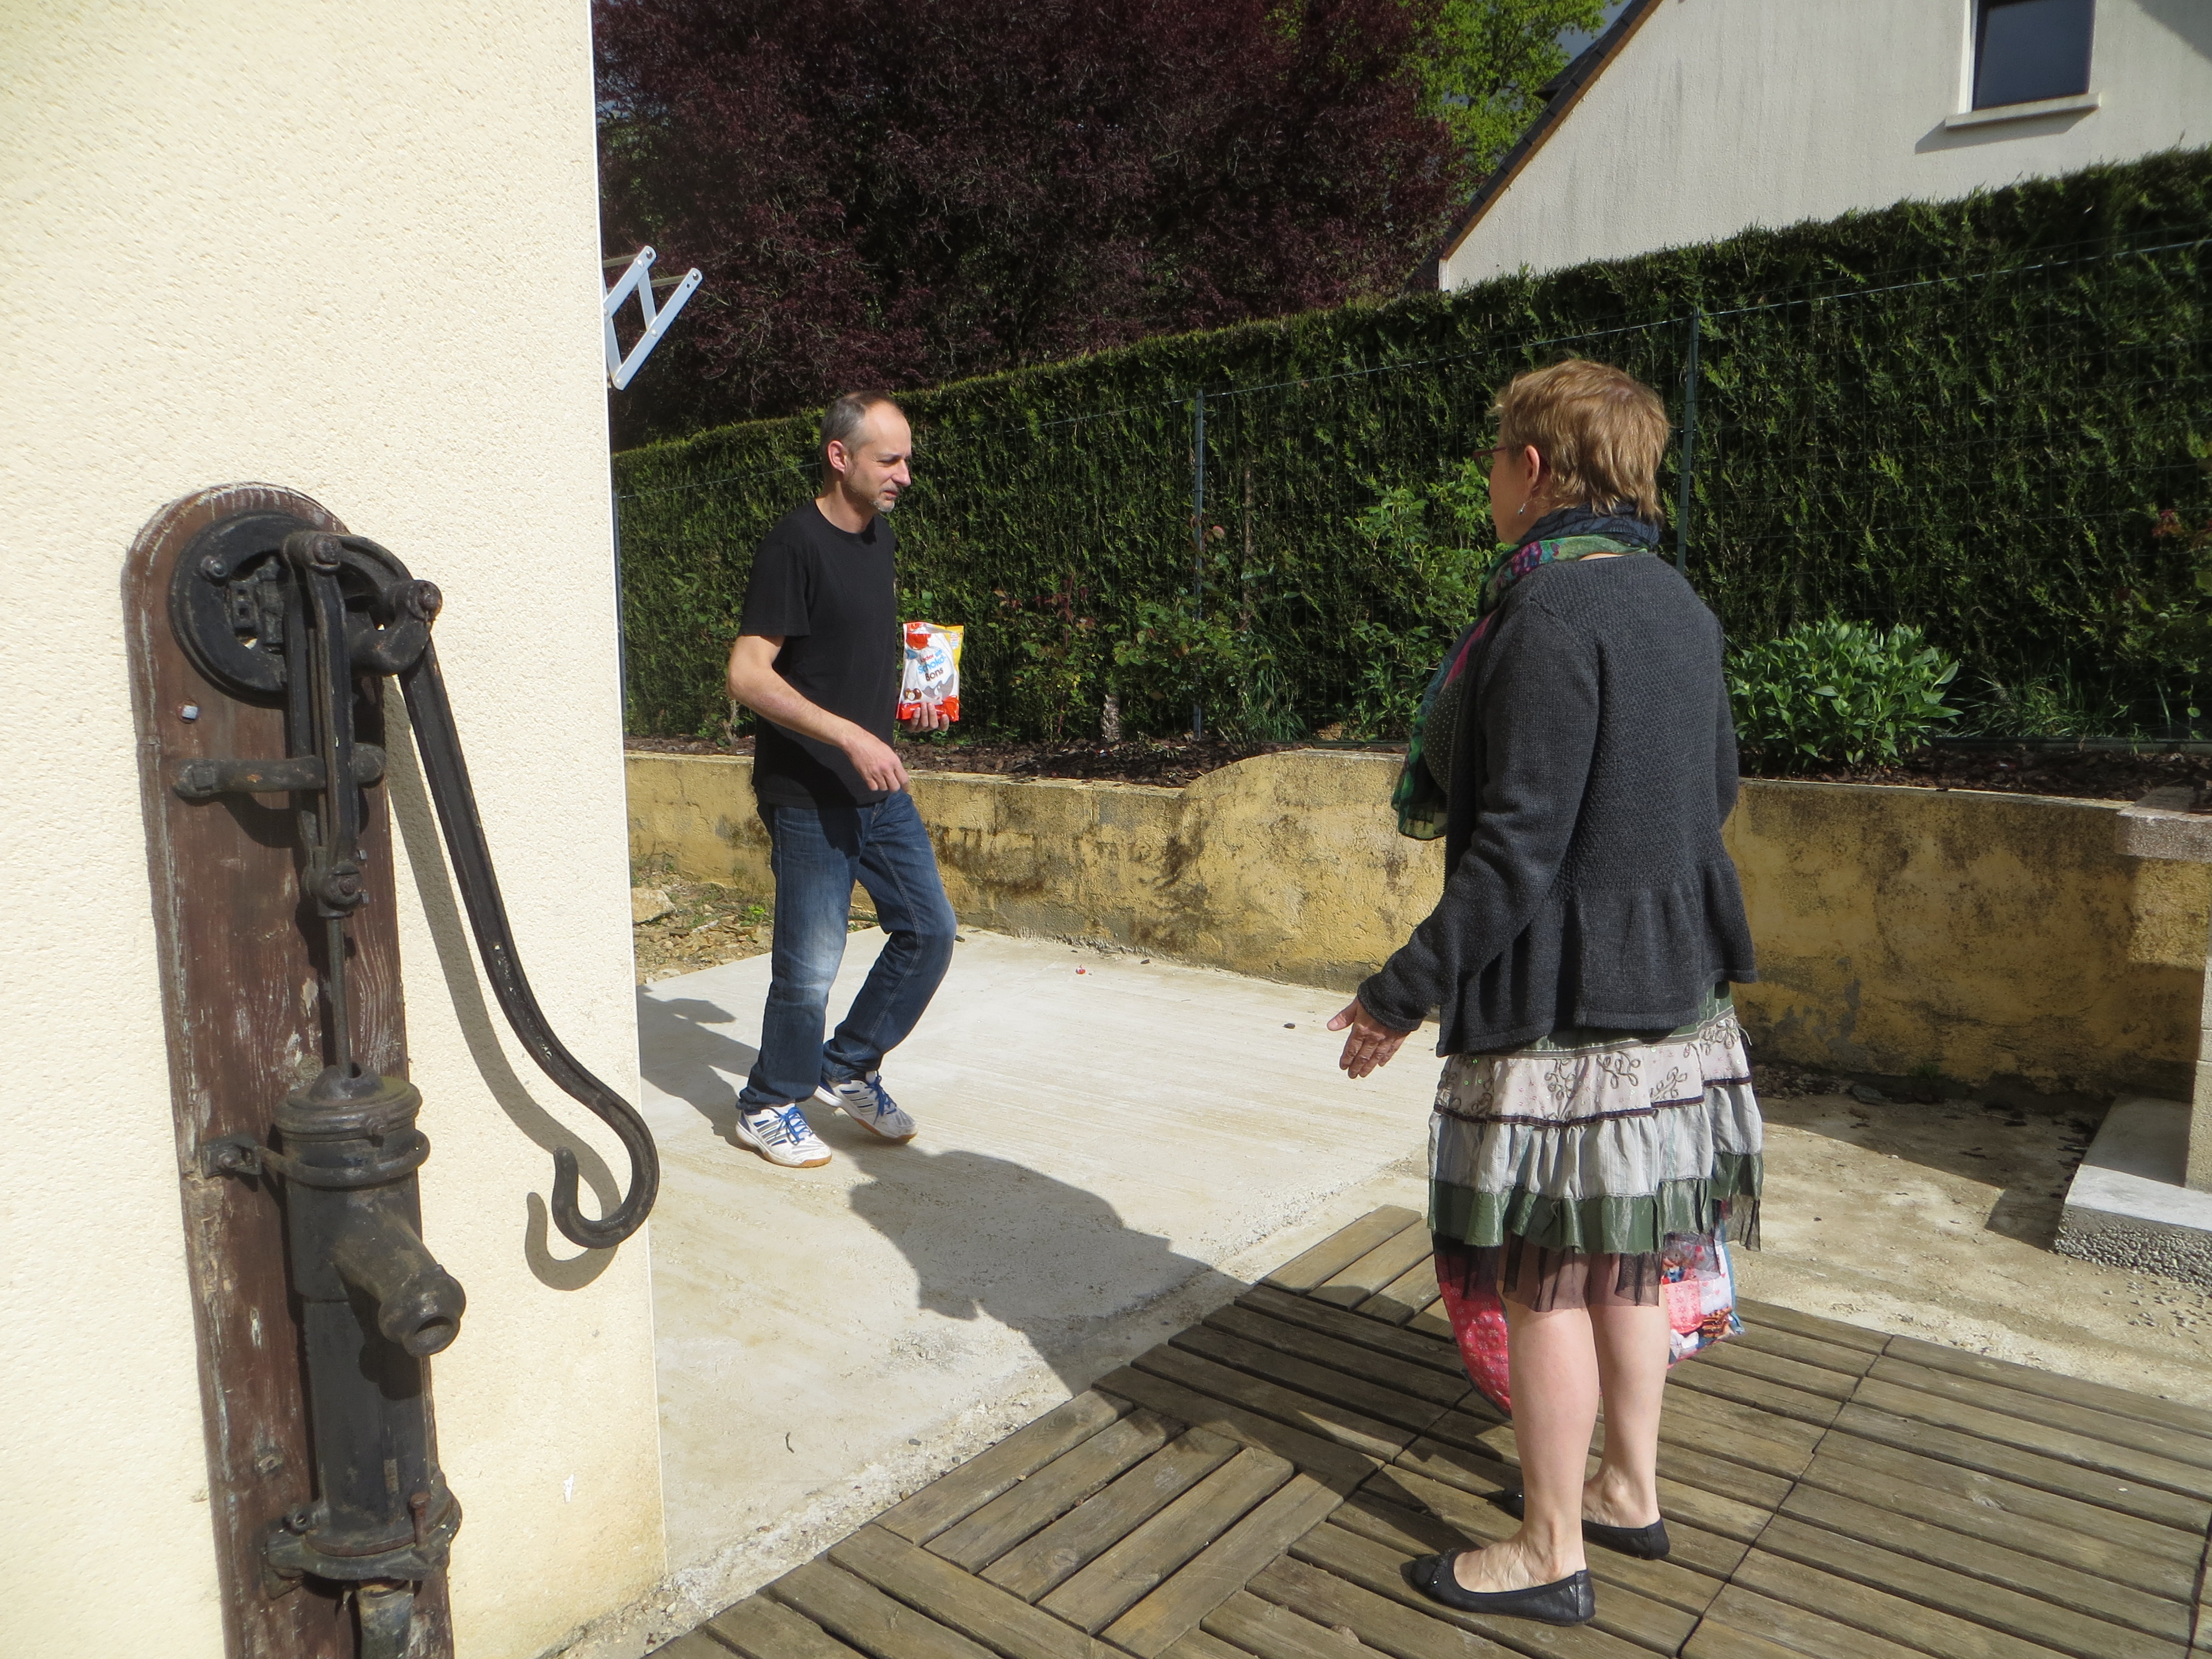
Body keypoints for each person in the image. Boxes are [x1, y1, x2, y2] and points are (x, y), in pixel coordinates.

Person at [1327, 359, 1762, 1626]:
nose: (1487, 478)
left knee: (1544, 1282)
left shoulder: (1542, 616)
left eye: (1492, 456)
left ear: (1530, 468)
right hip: (1674, 998)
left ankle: (1548, 1548)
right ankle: (1626, 1488)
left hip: (1563, 1010)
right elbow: (1715, 790)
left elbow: (1515, 846)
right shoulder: (1679, 605)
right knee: (1626, 1261)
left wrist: (1396, 993)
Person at [723, 392, 958, 1170]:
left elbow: (843, 657)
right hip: (809, 790)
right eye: (889, 460)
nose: (905, 476)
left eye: (907, 460)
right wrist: (851, 736)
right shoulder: (792, 544)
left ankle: (849, 1063)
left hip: (876, 786)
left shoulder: (878, 538)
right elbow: (748, 675)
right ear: (839, 457)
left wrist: (908, 701)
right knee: (809, 968)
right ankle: (767, 1102)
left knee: (929, 931)